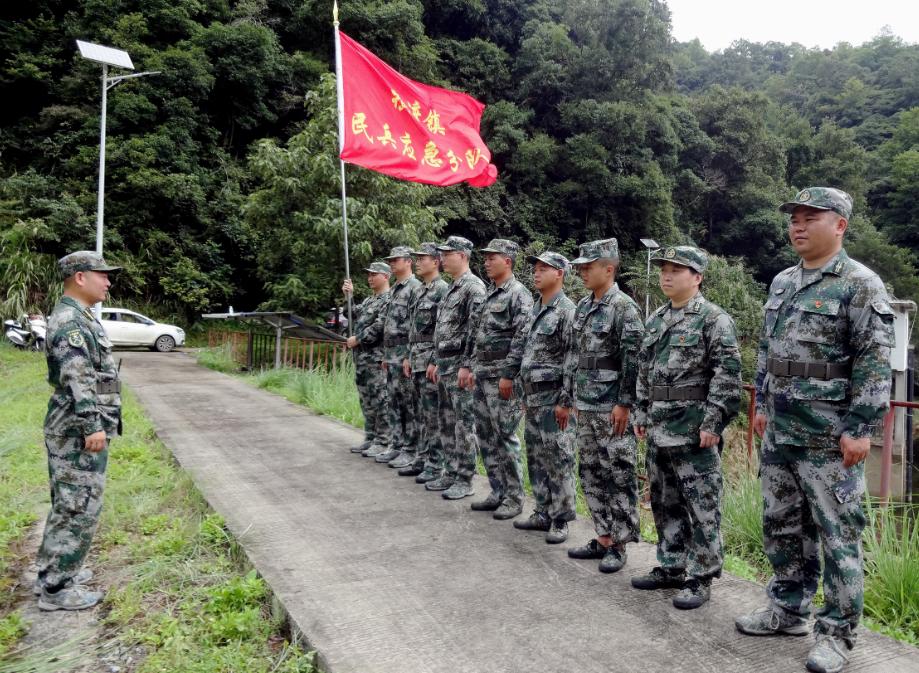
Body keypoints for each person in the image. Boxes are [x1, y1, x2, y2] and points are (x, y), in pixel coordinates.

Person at [735, 188, 894, 673]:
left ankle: (838, 634)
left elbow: (874, 359)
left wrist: (861, 426)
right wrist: (761, 399)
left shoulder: (860, 284)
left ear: (840, 225)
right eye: (794, 219)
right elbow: (768, 346)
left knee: (837, 533)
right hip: (781, 430)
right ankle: (786, 609)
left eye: (811, 218)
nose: (798, 226)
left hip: (828, 435)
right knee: (782, 525)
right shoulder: (783, 281)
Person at [631, 245, 742, 609]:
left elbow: (727, 376)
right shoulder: (657, 319)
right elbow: (643, 372)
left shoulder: (713, 319)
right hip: (660, 426)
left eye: (677, 270)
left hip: (694, 429)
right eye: (664, 268)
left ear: (697, 277)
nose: (667, 275)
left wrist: (714, 421)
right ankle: (672, 564)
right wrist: (641, 413)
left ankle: (701, 575)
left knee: (702, 504)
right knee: (664, 501)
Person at [34, 251, 121, 611]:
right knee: (77, 505)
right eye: (102, 274)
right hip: (76, 429)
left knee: (69, 502)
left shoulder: (78, 316)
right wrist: (93, 425)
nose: (108, 281)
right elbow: (78, 378)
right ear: (80, 277)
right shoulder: (71, 322)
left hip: (74, 426)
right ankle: (57, 588)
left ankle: (57, 571)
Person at [566, 239, 644, 574]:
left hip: (612, 408)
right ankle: (603, 536)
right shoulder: (583, 307)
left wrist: (625, 403)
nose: (583, 271)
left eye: (589, 266)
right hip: (586, 404)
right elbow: (577, 357)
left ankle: (621, 543)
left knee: (619, 473)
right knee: (591, 472)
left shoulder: (624, 308)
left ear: (608, 268)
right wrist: (572, 398)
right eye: (581, 266)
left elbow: (634, 360)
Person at [465, 239, 533, 520]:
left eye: (492, 257)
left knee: (505, 436)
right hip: (482, 376)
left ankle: (515, 497)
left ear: (508, 260)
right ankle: (497, 490)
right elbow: (478, 336)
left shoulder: (519, 294)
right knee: (486, 435)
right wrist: (470, 367)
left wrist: (508, 374)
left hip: (502, 380)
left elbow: (521, 337)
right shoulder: (490, 293)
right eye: (486, 257)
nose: (487, 261)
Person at [514, 251, 578, 543]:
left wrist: (565, 402)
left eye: (544, 268)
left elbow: (572, 359)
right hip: (534, 398)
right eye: (535, 268)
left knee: (559, 457)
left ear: (560, 274)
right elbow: (524, 352)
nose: (536, 273)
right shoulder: (534, 308)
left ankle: (561, 518)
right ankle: (542, 511)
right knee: (537, 456)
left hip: (554, 400)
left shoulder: (567, 311)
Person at [425, 236, 486, 500]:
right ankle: (450, 471)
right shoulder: (453, 288)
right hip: (445, 364)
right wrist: (436, 361)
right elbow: (442, 330)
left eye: (447, 254)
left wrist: (467, 365)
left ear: (462, 255)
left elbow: (476, 330)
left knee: (464, 424)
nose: (442, 258)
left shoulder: (473, 288)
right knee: (447, 421)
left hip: (460, 367)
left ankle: (464, 477)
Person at [400, 243, 449, 481]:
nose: (418, 262)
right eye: (417, 258)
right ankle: (422, 457)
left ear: (436, 261)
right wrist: (409, 356)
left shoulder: (442, 290)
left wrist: (433, 359)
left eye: (423, 258)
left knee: (433, 416)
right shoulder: (419, 290)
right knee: (419, 413)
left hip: (429, 361)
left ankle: (435, 463)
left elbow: (441, 330)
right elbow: (413, 328)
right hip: (416, 360)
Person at [377, 247, 422, 467]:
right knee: (393, 402)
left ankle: (410, 448)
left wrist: (408, 356)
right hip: (391, 354)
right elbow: (389, 324)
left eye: (395, 260)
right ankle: (396, 444)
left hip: (404, 354)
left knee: (407, 404)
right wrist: (386, 355)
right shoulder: (396, 288)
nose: (392, 264)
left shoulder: (415, 288)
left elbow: (414, 325)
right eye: (390, 261)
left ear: (408, 262)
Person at [343, 262, 392, 457]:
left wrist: (358, 339)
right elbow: (353, 315)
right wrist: (349, 296)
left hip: (376, 358)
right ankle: (370, 437)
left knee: (380, 400)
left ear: (386, 276)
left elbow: (380, 327)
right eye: (369, 275)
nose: (370, 278)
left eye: (375, 274)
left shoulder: (388, 299)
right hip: (362, 359)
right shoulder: (370, 300)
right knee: (367, 400)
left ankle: (383, 440)